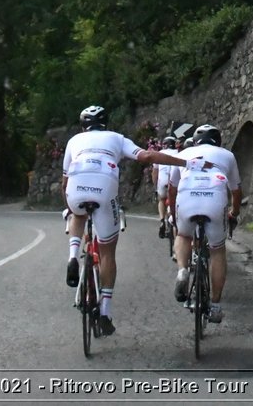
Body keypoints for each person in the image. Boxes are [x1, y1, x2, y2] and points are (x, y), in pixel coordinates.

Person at [62, 105, 183, 336]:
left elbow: (64, 183)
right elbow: (147, 156)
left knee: (77, 213)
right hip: (105, 188)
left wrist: (68, 206)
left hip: (76, 188)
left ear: (82, 126)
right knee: (108, 252)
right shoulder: (117, 138)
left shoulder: (74, 141)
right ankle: (105, 311)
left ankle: (73, 256)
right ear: (106, 123)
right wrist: (185, 163)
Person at [167, 123, 242, 324]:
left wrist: (174, 214)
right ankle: (215, 306)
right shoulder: (227, 155)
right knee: (217, 250)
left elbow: (172, 189)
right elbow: (236, 191)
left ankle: (183, 270)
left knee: (183, 236)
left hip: (187, 196)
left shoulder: (184, 153)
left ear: (196, 141)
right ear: (218, 141)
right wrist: (234, 213)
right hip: (215, 198)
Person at [155, 135, 179, 238]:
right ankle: (173, 220)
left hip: (162, 181)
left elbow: (155, 172)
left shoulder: (159, 154)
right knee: (174, 199)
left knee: (161, 199)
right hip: (174, 180)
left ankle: (162, 220)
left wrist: (155, 185)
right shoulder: (179, 153)